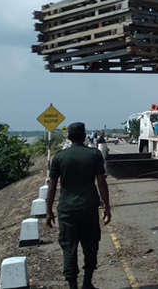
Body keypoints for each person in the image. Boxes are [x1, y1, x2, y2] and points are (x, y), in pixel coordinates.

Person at [46, 122, 111, 289]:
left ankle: (73, 285)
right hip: (89, 208)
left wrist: (48, 211)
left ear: (68, 137)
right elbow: (101, 182)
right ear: (83, 137)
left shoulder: (59, 157)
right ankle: (87, 283)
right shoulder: (94, 154)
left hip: (66, 210)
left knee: (69, 247)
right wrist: (107, 207)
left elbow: (52, 187)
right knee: (90, 245)